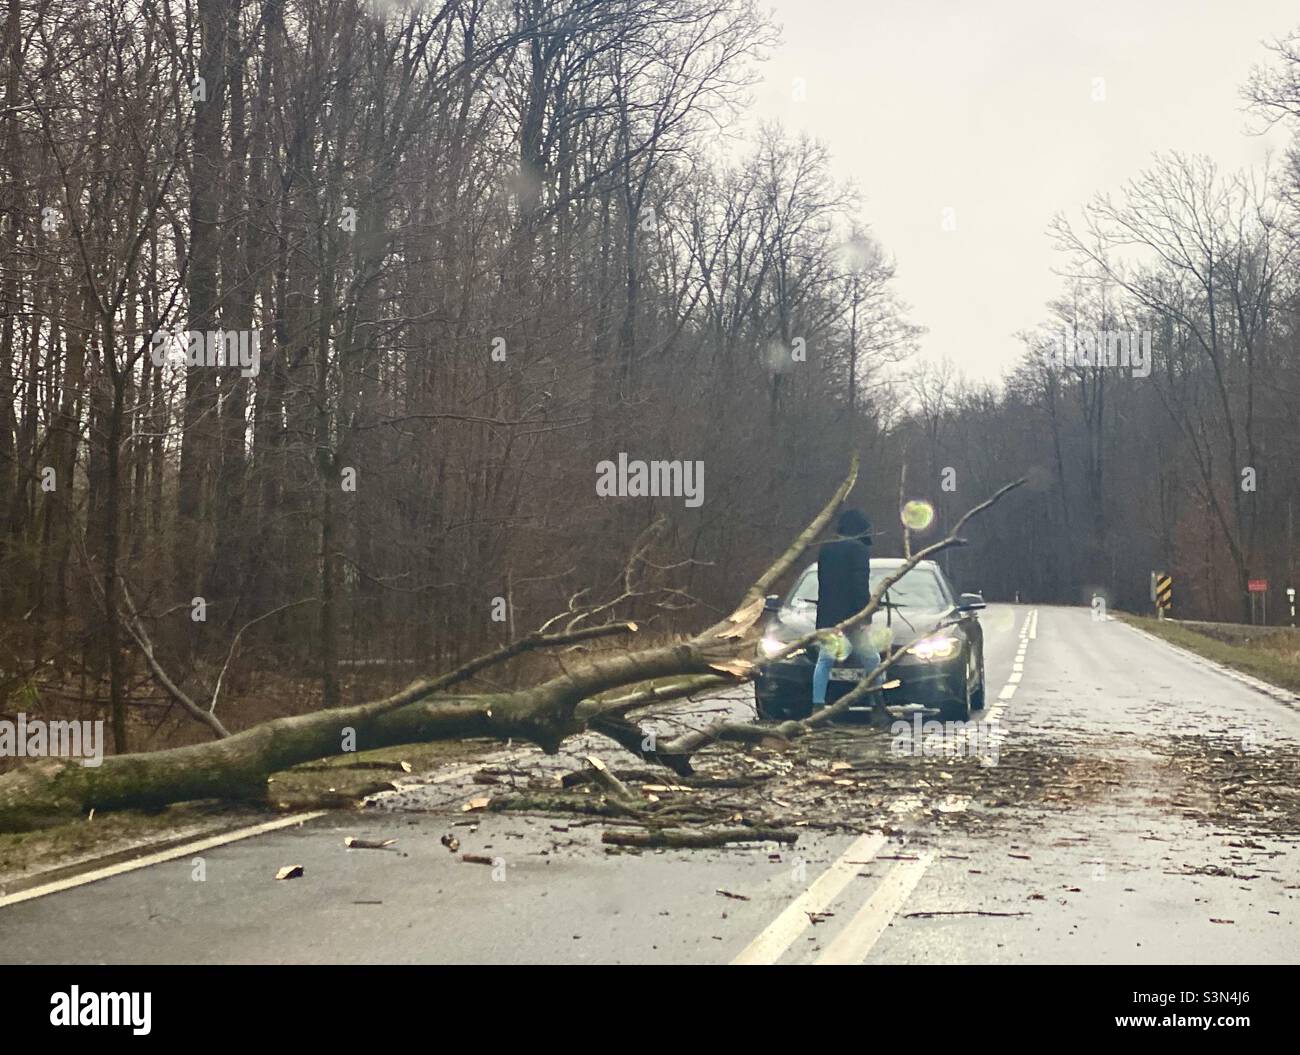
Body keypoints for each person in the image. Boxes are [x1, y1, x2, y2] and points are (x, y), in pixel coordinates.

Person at [812, 508, 882, 708]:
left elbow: (824, 584)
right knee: (872, 660)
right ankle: (877, 705)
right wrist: (865, 617)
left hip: (828, 616)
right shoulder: (859, 550)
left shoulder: (826, 549)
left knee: (825, 661)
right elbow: (860, 585)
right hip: (852, 618)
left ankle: (817, 706)